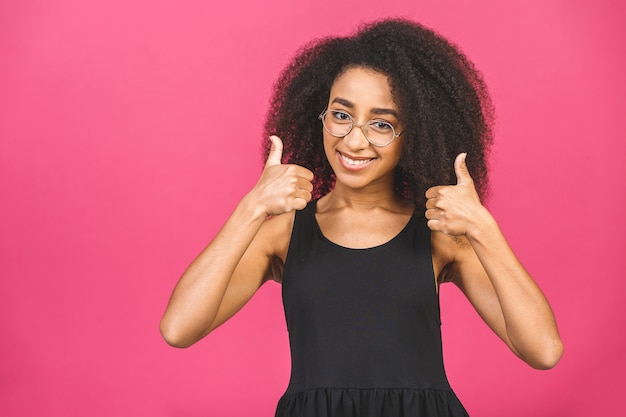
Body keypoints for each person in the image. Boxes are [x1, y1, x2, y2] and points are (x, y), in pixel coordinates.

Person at [160, 18, 563, 417]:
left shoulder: (438, 234)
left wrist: (482, 228)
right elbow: (179, 329)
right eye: (341, 115)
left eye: (382, 124)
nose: (354, 139)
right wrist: (252, 207)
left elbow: (543, 351)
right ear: (320, 115)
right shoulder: (282, 234)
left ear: (416, 133)